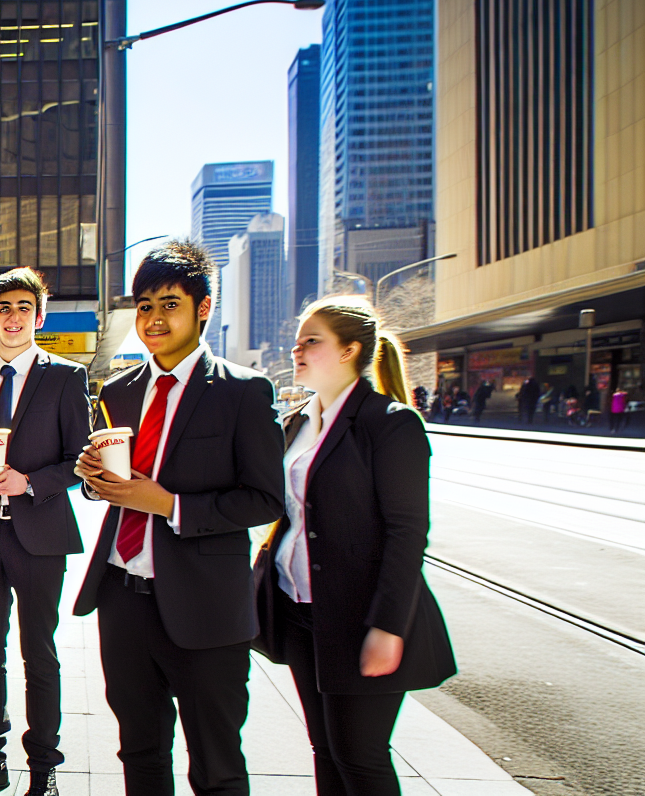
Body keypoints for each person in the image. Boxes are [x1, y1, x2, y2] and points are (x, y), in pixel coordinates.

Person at [70, 241, 284, 796]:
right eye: (144, 306)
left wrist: (168, 504)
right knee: (139, 754)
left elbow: (265, 500)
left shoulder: (244, 392)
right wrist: (94, 480)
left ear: (203, 307)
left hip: (207, 608)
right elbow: (114, 490)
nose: (154, 319)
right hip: (122, 598)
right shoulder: (118, 391)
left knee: (217, 766)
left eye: (169, 304)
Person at [255, 296, 457, 796]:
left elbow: (408, 533)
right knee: (326, 750)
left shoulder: (390, 423)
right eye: (298, 340)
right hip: (301, 614)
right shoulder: (297, 423)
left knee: (360, 757)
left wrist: (387, 626)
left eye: (311, 341)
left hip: (360, 615)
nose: (296, 350)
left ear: (349, 351)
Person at [0, 268, 93, 796]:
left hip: (40, 534)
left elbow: (79, 460)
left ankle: (45, 768)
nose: (14, 316)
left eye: (24, 307)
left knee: (39, 652)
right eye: (5, 307)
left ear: (40, 317)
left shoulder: (66, 378)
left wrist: (29, 481)